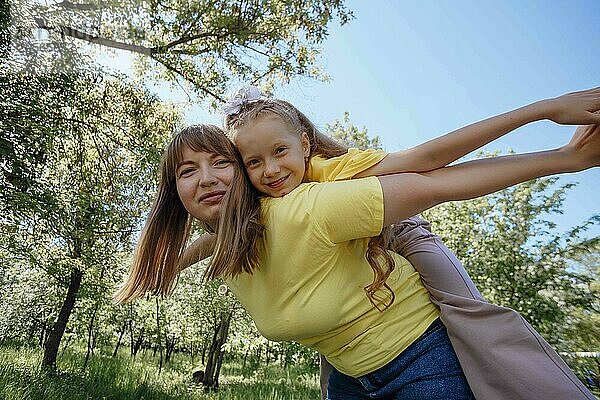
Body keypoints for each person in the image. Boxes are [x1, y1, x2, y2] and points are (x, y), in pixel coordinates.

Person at [115, 99, 600, 399]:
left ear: (303, 145)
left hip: (403, 258)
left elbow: (432, 170)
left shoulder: (318, 197)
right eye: (186, 171)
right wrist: (169, 260)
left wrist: (560, 148)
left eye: (219, 164)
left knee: (468, 313)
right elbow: (217, 236)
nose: (270, 170)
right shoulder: (250, 216)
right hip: (350, 360)